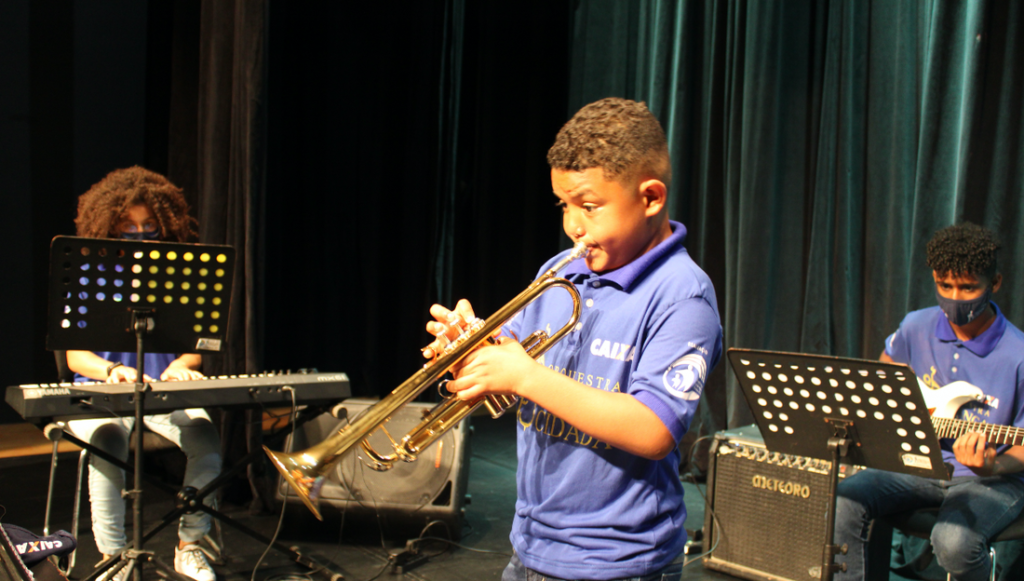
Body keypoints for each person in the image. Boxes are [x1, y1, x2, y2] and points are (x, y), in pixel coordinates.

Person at [423, 98, 723, 581]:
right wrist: (470, 354)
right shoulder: (560, 272)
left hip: (617, 561)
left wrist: (525, 375)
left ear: (650, 198)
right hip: (530, 547)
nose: (572, 226)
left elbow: (653, 430)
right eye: (563, 205)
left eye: (589, 206)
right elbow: (508, 379)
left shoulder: (683, 296)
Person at [835, 223, 1024, 581]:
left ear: (995, 283)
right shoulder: (915, 326)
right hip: (919, 463)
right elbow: (884, 376)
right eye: (944, 286)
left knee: (953, 543)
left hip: (992, 480)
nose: (955, 298)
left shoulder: (1019, 355)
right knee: (845, 500)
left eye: (968, 288)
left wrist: (993, 465)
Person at [66, 166, 221, 581]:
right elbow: (76, 358)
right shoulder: (87, 274)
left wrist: (182, 365)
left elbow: (195, 350)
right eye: (128, 227)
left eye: (149, 225)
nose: (140, 234)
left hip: (161, 393)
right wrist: (112, 369)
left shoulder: (181, 275)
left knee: (206, 440)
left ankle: (190, 545)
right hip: (102, 391)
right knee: (107, 440)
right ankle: (114, 559)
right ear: (109, 226)